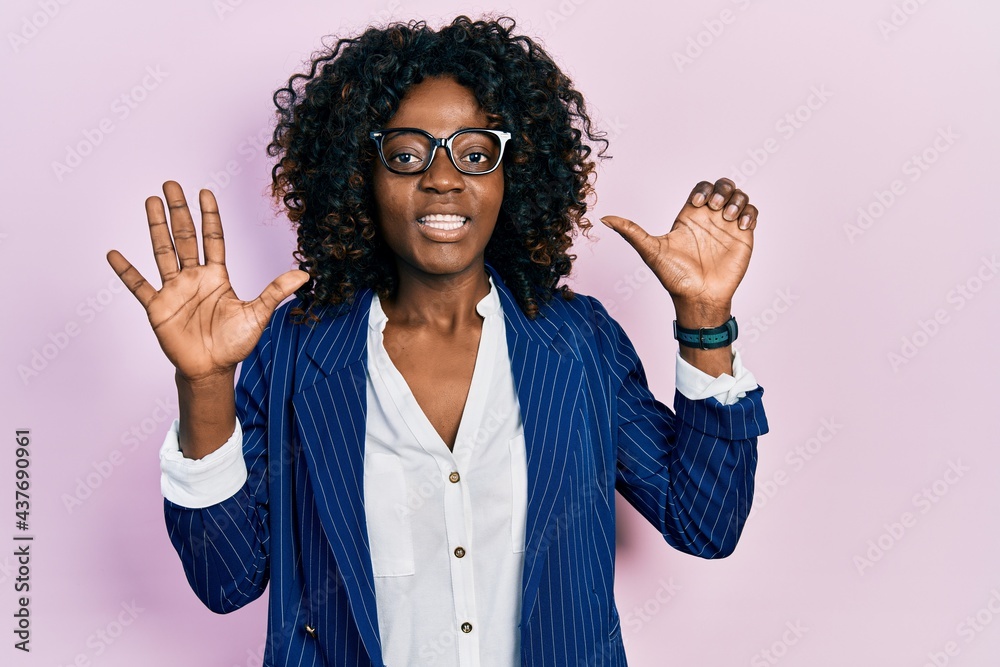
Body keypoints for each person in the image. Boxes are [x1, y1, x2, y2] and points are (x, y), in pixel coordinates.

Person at [107, 15, 768, 667]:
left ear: (513, 176)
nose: (443, 177)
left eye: (475, 155)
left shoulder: (578, 343)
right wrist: (204, 383)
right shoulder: (296, 348)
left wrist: (704, 316)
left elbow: (704, 521)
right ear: (362, 176)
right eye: (406, 154)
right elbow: (226, 579)